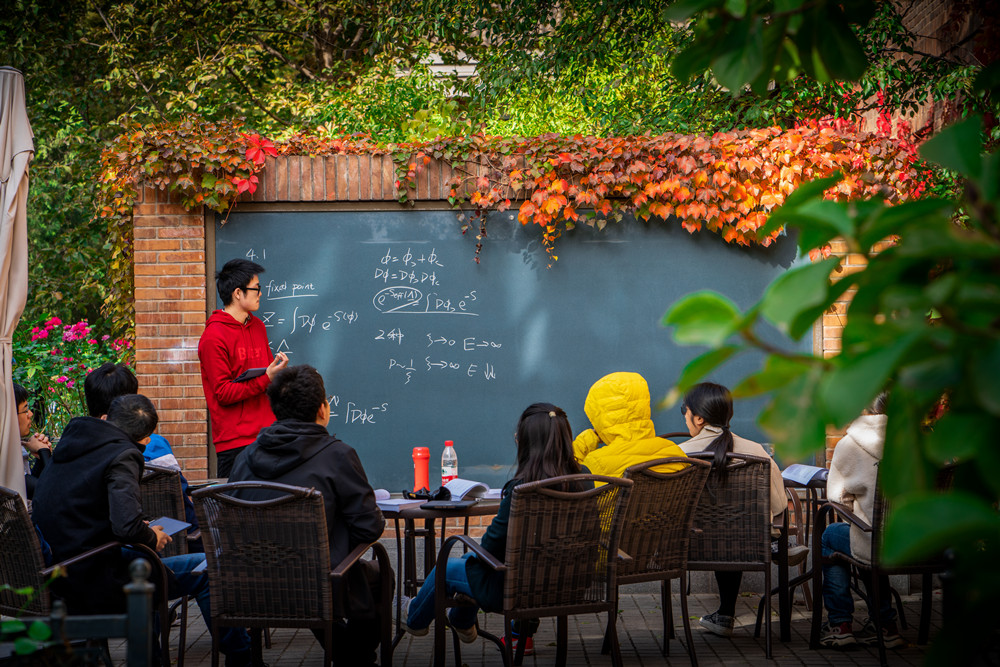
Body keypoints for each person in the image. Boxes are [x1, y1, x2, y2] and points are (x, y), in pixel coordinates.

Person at [32, 394, 253, 665]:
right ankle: (243, 660)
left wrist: (136, 529)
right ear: (145, 438)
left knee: (148, 565)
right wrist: (151, 536)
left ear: (108, 418)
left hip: (61, 572)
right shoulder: (123, 454)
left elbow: (78, 512)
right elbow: (127, 527)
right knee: (208, 568)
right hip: (95, 578)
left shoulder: (72, 442)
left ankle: (152, 658)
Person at [227, 365, 388, 667]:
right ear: (322, 409)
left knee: (313, 570)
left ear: (274, 408)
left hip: (248, 586)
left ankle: (348, 655)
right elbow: (369, 528)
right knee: (379, 574)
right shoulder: (337, 456)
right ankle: (356, 658)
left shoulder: (244, 458)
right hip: (318, 585)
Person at [402, 402, 590, 657]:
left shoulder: (522, 489)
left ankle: (414, 618)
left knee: (447, 567)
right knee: (469, 560)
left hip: (514, 589)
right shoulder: (585, 479)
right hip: (570, 583)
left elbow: (490, 547)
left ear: (528, 444)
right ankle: (461, 621)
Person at [676, 382, 785, 638]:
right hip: (746, 545)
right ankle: (725, 613)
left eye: (684, 410)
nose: (684, 417)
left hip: (691, 546)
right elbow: (779, 505)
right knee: (731, 532)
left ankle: (718, 619)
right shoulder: (756, 452)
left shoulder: (679, 454)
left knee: (719, 533)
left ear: (698, 418)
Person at [819, 392, 903, 648]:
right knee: (866, 537)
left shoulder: (850, 444)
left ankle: (840, 624)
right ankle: (885, 624)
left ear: (867, 409)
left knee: (833, 536)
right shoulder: (920, 443)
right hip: (919, 545)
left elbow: (837, 498)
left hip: (875, 541)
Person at [84, 361, 200, 542]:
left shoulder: (80, 449)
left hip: (107, 542)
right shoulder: (152, 445)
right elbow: (182, 499)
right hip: (170, 538)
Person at [198, 258, 288, 476]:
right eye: (256, 288)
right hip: (235, 443)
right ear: (238, 293)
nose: (260, 294)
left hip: (267, 435)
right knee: (237, 497)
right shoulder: (213, 337)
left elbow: (266, 378)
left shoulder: (257, 326)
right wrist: (266, 378)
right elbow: (223, 393)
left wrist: (276, 375)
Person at [572, 371, 687, 478]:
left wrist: (587, 439)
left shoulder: (597, 463)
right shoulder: (675, 453)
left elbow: (571, 477)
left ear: (601, 419)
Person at [14, 382, 51, 500]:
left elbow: (30, 486)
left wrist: (40, 458)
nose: (30, 414)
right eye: (25, 410)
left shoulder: (13, 446)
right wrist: (44, 451)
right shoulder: (6, 458)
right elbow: (51, 490)